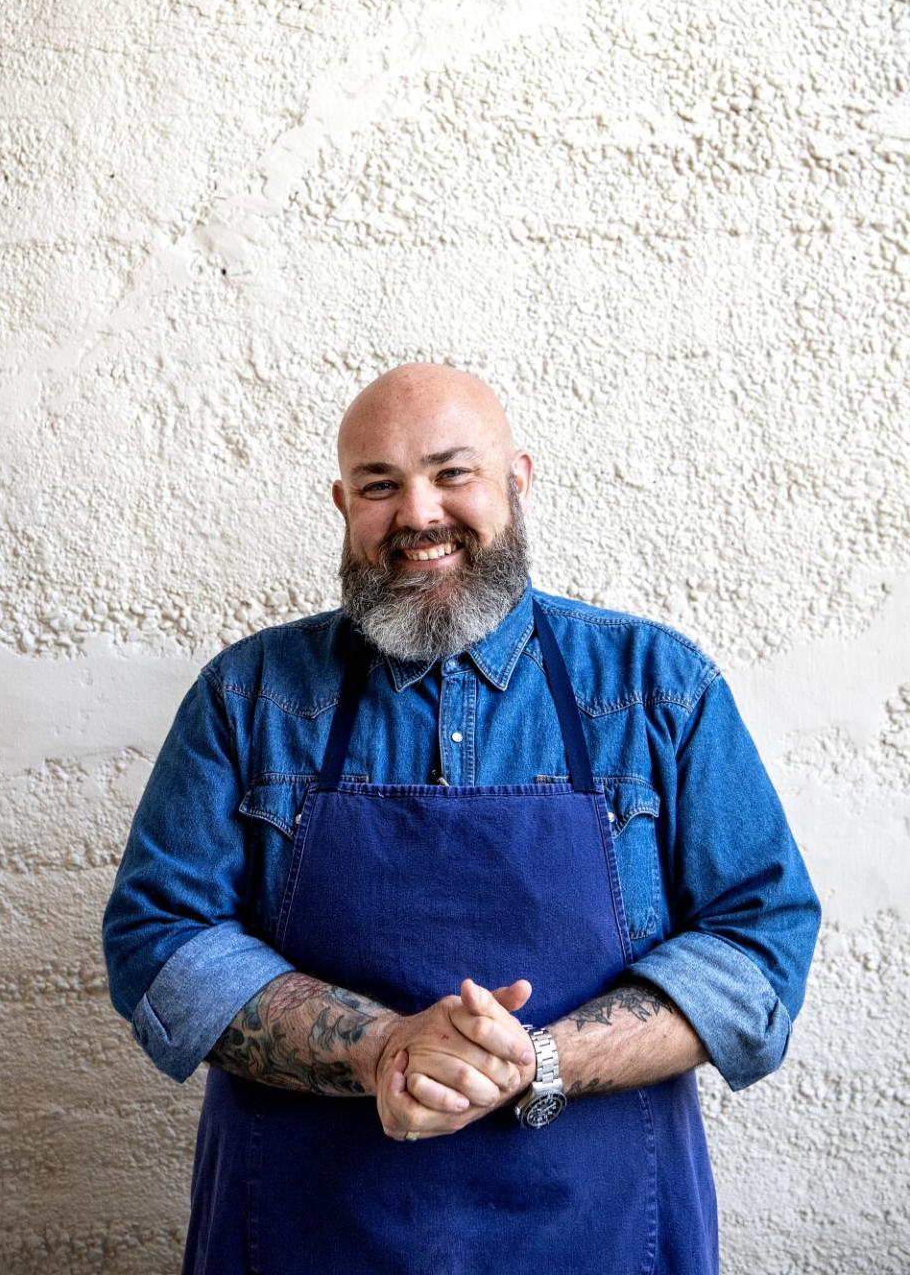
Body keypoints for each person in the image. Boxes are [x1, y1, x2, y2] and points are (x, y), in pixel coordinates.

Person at [102, 362, 821, 1275]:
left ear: (518, 480)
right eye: (379, 485)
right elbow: (157, 938)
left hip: (602, 1230)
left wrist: (539, 1062)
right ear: (342, 503)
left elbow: (760, 941)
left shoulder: (658, 688)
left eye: (451, 474)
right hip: (303, 1228)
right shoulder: (250, 696)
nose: (418, 514)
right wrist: (381, 1051)